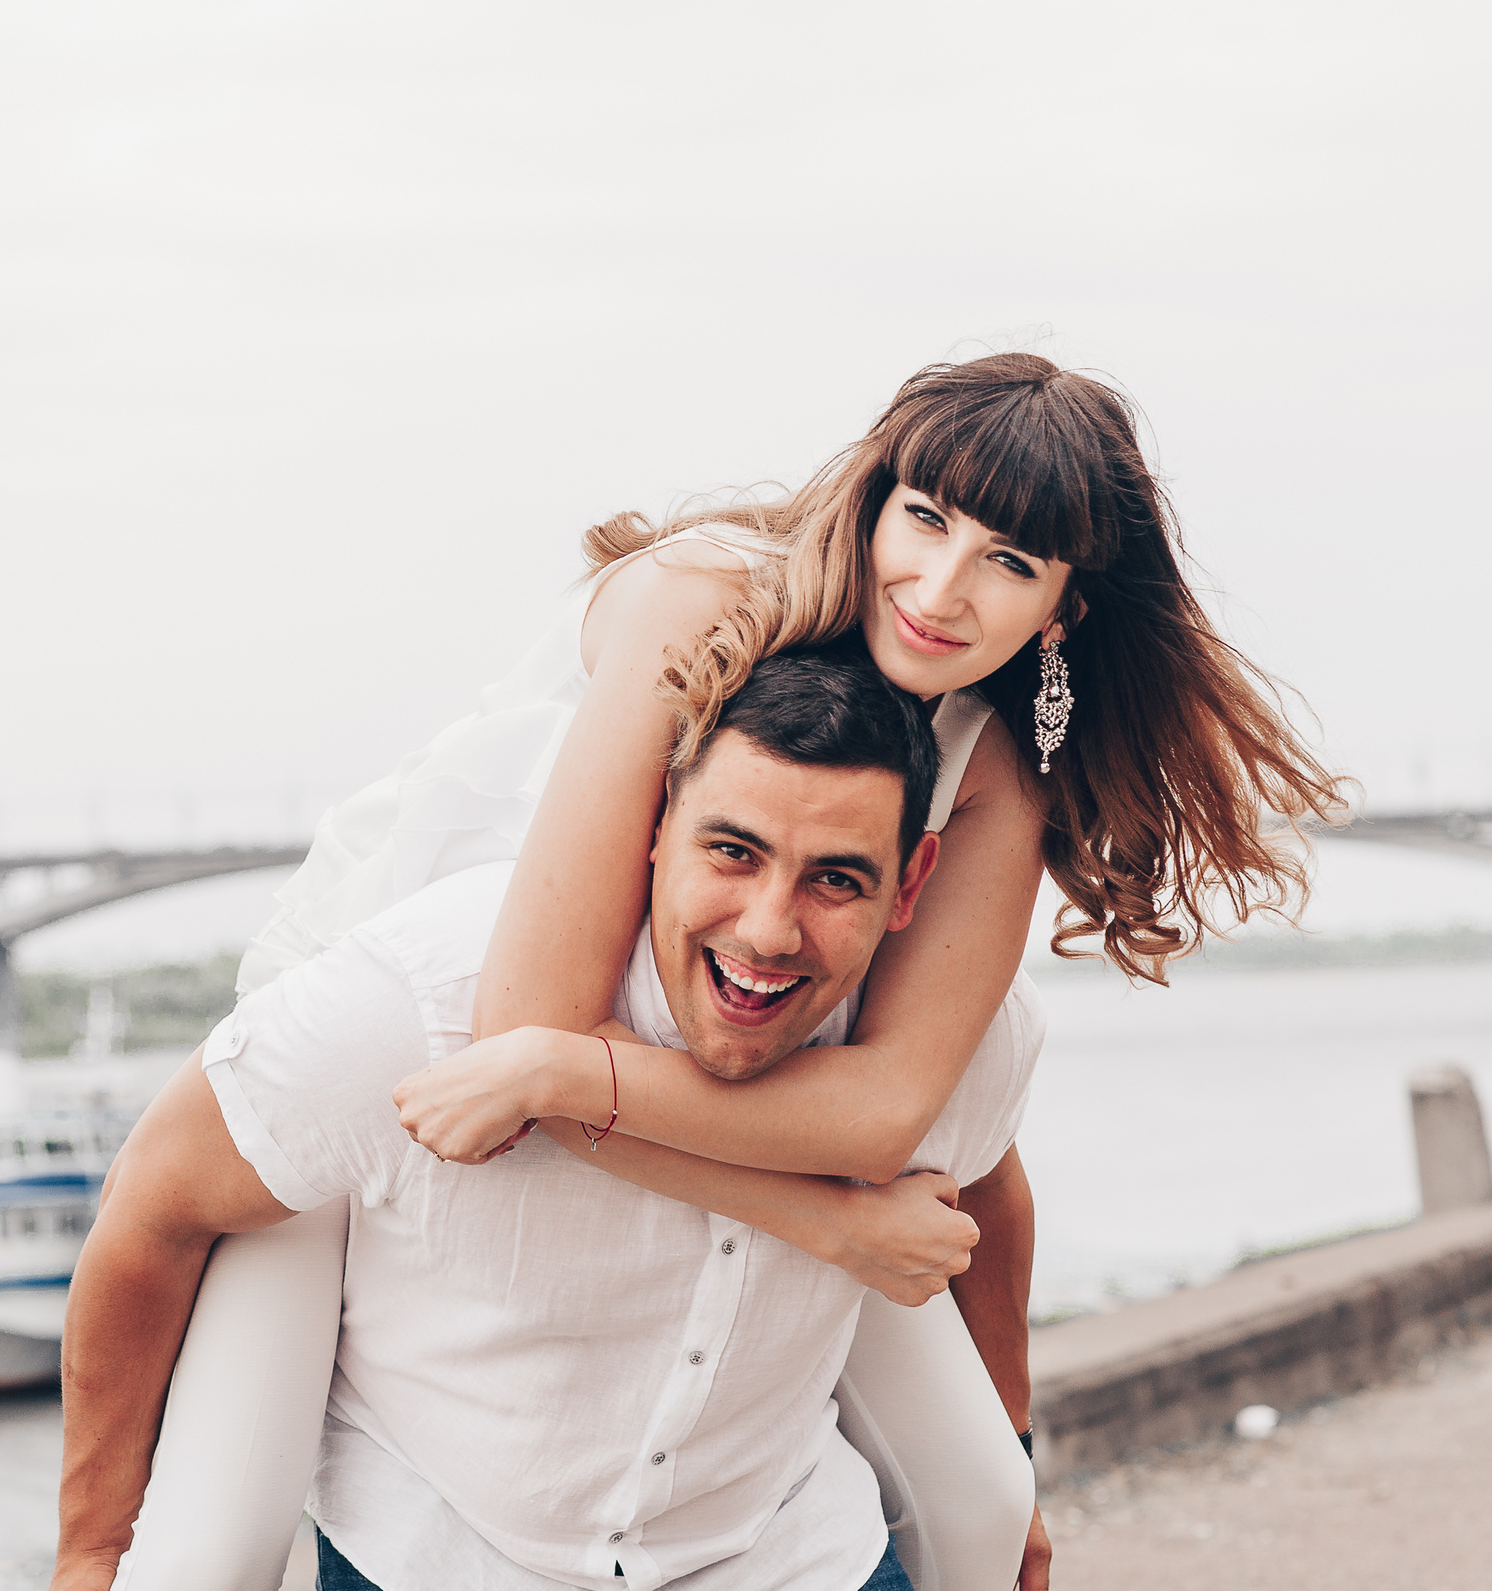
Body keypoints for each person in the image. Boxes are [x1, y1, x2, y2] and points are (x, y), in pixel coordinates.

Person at [125, 352, 1346, 1591]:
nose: (939, 588)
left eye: (1009, 563)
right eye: (924, 521)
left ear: (1062, 608)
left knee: (984, 1502)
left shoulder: (990, 761)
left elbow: (891, 1111)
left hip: (671, 1050)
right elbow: (520, 1033)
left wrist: (995, 1405)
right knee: (209, 1549)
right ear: (871, 501)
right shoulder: (698, 595)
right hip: (404, 1049)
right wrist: (824, 1219)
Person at [56, 647, 1042, 1591]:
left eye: (836, 877)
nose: (767, 930)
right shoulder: (419, 999)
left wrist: (1014, 1465)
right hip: (442, 1554)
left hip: (784, 1553)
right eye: (731, 852)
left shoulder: (950, 1042)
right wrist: (89, 1558)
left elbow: (985, 1184)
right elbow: (151, 1206)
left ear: (910, 884)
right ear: (652, 825)